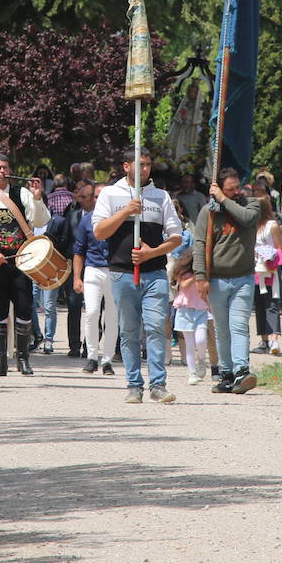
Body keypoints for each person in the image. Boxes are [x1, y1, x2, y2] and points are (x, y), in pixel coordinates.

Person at [92, 148, 184, 404]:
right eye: (139, 164)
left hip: (155, 274)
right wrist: (125, 212)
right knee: (130, 331)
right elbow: (99, 231)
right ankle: (134, 385)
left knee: (155, 327)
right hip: (122, 274)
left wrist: (152, 252)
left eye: (148, 165)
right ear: (126, 166)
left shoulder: (161, 196)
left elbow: (176, 236)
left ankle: (158, 385)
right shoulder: (110, 194)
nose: (144, 169)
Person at [0, 153, 49, 377]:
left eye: (6, 167)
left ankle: (23, 360)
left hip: (22, 260)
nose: (3, 171)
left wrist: (37, 197)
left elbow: (40, 221)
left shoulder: (22, 193)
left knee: (24, 306)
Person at [192, 167, 261, 395]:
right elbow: (200, 244)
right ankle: (226, 374)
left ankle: (242, 370)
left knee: (239, 325)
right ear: (219, 187)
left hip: (243, 278)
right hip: (217, 280)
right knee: (222, 329)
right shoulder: (208, 213)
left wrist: (223, 198)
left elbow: (248, 219)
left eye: (237, 188)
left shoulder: (251, 205)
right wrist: (200, 276)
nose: (235, 192)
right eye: (229, 189)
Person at [73, 181, 117, 376]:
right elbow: (79, 251)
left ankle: (107, 360)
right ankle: (92, 357)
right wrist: (76, 277)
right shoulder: (87, 220)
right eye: (97, 196)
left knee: (112, 318)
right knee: (91, 313)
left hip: (115, 271)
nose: (100, 200)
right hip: (93, 270)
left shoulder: (119, 220)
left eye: (103, 196)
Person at [46, 181, 92, 357]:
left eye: (85, 196)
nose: (81, 199)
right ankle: (74, 345)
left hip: (95, 265)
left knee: (93, 308)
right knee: (74, 306)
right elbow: (64, 240)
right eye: (79, 196)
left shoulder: (101, 215)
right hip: (74, 266)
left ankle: (90, 345)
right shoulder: (72, 215)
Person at [169, 247, 211, 385]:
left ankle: (201, 360)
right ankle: (192, 373)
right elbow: (185, 285)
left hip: (200, 309)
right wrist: (196, 275)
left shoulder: (205, 272)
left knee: (201, 339)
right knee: (190, 344)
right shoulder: (183, 273)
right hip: (185, 310)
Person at [252, 194, 282, 356]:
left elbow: (280, 248)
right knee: (259, 304)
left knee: (272, 302)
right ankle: (264, 340)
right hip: (255, 270)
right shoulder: (251, 226)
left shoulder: (272, 225)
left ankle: (274, 339)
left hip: (269, 269)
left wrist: (268, 256)